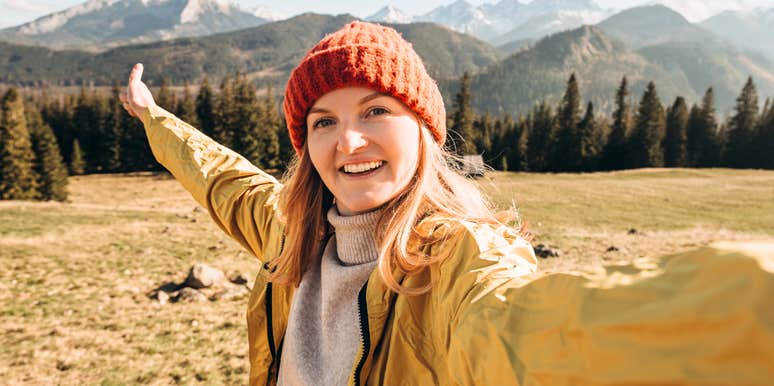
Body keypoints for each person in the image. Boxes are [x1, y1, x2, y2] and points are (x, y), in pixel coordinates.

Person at [121, 21, 774, 386]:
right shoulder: (291, 231)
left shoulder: (457, 259)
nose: (347, 140)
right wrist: (156, 120)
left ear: (423, 130)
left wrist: (751, 308)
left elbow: (532, 330)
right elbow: (225, 180)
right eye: (322, 121)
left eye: (375, 110)